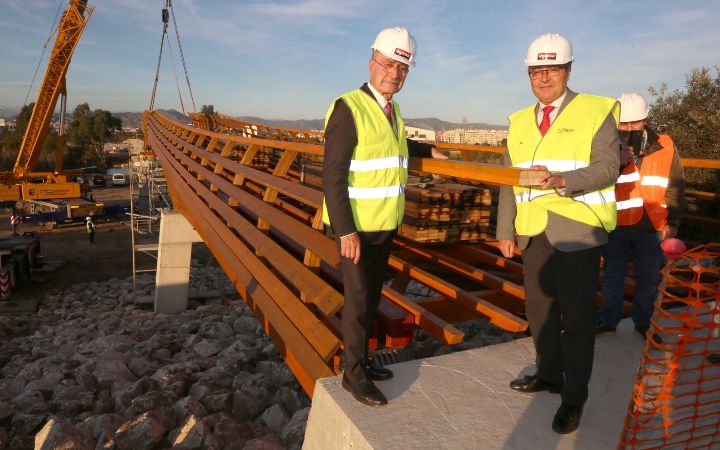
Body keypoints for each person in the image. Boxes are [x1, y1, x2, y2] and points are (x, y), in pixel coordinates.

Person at [496, 33, 621, 434]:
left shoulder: (596, 111)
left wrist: (565, 180)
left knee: (578, 317)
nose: (543, 77)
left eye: (551, 69)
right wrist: (504, 229)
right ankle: (549, 374)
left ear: (568, 70)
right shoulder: (517, 121)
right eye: (536, 70)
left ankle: (574, 396)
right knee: (539, 310)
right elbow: (506, 180)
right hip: (532, 231)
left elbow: (608, 167)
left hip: (577, 229)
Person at [321, 27, 446, 407]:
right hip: (356, 227)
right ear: (372, 62)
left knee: (373, 296)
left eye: (402, 69)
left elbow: (389, 144)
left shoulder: (392, 111)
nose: (394, 73)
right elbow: (333, 173)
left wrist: (427, 149)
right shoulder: (349, 107)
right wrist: (345, 231)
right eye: (388, 64)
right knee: (359, 303)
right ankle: (353, 376)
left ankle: (365, 361)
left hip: (383, 222)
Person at [597, 93, 686, 338]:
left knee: (648, 280)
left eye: (633, 123)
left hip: (653, 226)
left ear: (645, 120)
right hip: (616, 225)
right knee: (612, 278)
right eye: (622, 124)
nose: (627, 129)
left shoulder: (666, 145)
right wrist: (616, 162)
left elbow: (675, 185)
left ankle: (643, 324)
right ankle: (608, 320)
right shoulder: (604, 145)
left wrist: (673, 223)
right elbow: (595, 182)